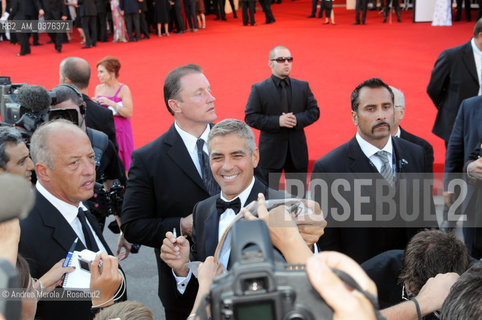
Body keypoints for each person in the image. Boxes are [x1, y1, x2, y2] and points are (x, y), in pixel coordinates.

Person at [159, 119, 325, 312]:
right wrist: (183, 269)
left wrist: (309, 244)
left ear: (254, 157)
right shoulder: (202, 209)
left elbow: (313, 277)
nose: (227, 166)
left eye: (237, 155)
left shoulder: (285, 206)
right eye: (217, 157)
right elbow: (204, 278)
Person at [121, 64, 219, 320]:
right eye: (200, 93)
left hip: (243, 278)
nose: (211, 97)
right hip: (184, 288)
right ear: (176, 105)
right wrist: (181, 225)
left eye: (209, 89)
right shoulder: (148, 158)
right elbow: (133, 226)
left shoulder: (236, 141)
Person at [311, 78, 426, 264]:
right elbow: (328, 241)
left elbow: (425, 221)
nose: (381, 115)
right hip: (360, 280)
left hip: (413, 278)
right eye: (371, 109)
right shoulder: (329, 168)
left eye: (386, 107)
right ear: (354, 116)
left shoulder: (415, 154)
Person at [18, 120, 123, 320]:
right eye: (74, 162)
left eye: (91, 157)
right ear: (43, 171)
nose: (89, 170)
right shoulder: (21, 232)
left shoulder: (79, 205)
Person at [245, 45, 319, 193]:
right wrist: (277, 121)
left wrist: (297, 120)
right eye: (281, 59)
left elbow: (314, 111)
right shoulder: (259, 89)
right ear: (270, 63)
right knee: (266, 196)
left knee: (297, 198)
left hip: (297, 152)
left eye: (289, 59)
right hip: (270, 154)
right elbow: (250, 116)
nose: (286, 63)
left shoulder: (302, 86)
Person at [427, 18, 482, 146]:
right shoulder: (451, 56)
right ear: (480, 36)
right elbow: (433, 89)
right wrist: (449, 109)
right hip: (459, 123)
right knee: (458, 164)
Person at [444, 94, 482, 258]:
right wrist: (450, 184)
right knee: (473, 258)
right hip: (476, 200)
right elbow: (456, 149)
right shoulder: (470, 106)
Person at [59, 56, 118, 151]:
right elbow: (111, 152)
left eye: (60, 76)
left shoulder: (55, 110)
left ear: (67, 81)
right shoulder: (103, 114)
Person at [95, 56, 135, 172]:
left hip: (121, 131)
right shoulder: (98, 88)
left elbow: (128, 112)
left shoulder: (123, 89)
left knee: (124, 162)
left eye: (101, 72)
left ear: (112, 72)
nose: (98, 75)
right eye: (98, 72)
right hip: (105, 130)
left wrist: (111, 103)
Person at [390, 86, 434, 173]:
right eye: (373, 108)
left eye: (387, 107)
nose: (381, 113)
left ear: (401, 112)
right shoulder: (359, 146)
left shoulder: (421, 148)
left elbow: (425, 185)